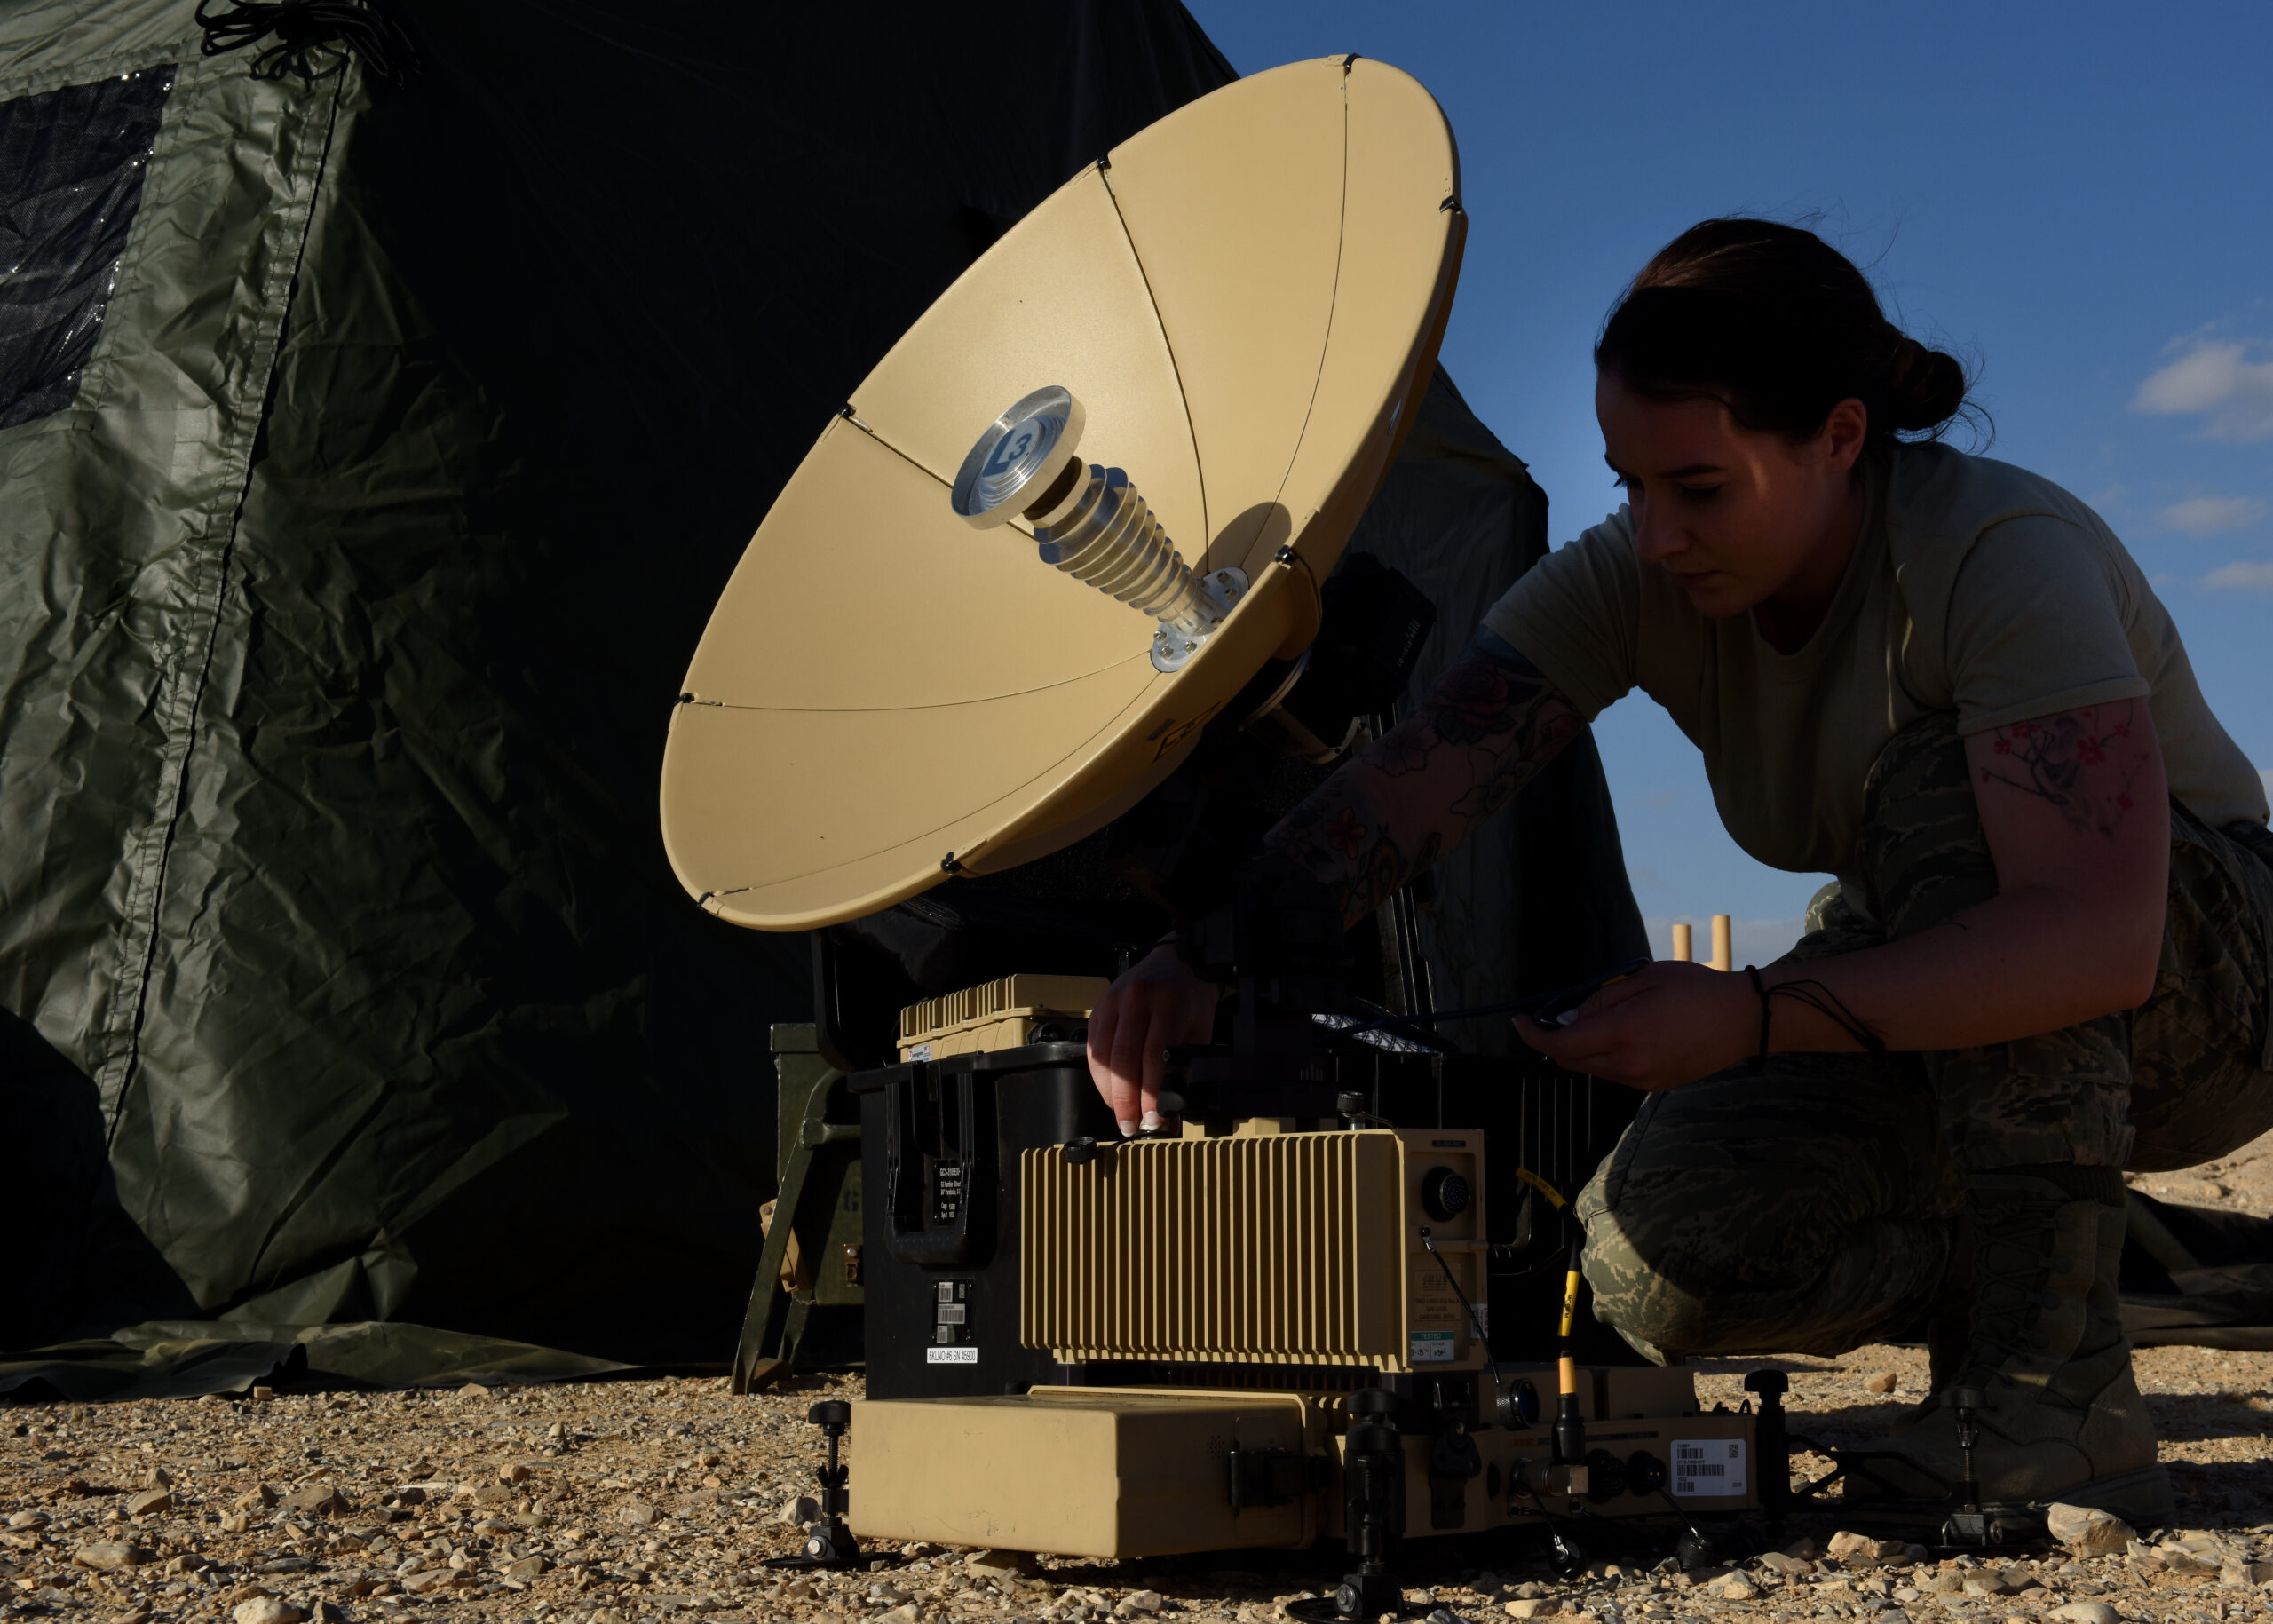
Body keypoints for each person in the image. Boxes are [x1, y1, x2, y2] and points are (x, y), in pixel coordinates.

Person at [1083, 218, 2273, 1522]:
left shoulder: (1993, 555)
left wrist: (1754, 1015)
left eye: (1699, 489)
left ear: (1839, 436)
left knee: (1951, 800)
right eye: (1628, 485)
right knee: (1662, 1264)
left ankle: (2052, 1401)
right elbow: (1412, 782)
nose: (1654, 535)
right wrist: (1204, 953)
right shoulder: (1638, 578)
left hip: (2212, 978)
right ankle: (2106, 1265)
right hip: (1945, 985)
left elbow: (2094, 935)